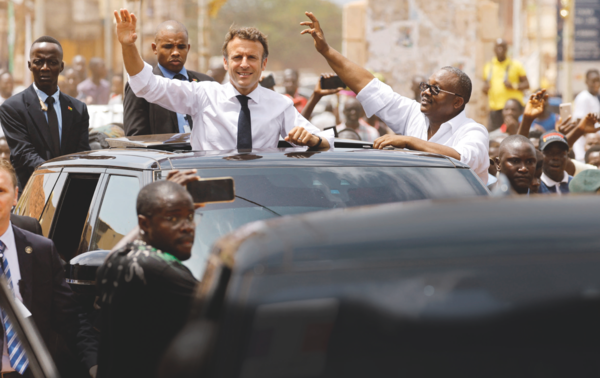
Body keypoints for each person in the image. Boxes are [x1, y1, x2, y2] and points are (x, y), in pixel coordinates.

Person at [299, 12, 488, 182]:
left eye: (436, 89)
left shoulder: (473, 132)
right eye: (426, 86)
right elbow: (370, 87)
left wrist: (409, 141)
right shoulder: (414, 115)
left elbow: (464, 160)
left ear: (457, 102)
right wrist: (326, 50)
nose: (426, 92)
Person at [116, 9, 332, 151]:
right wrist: (128, 46)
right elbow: (145, 84)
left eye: (252, 58)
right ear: (226, 63)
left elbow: (324, 142)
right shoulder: (203, 94)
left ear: (263, 64)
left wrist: (311, 139)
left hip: (261, 201)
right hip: (211, 202)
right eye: (237, 57)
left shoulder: (280, 104)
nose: (244, 64)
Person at [0, 159, 98, 377]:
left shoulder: (40, 250)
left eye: (0, 190)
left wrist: (94, 363)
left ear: (16, 196)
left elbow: (70, 316)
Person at [96, 180, 197, 378]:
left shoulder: (119, 260)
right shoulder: (161, 271)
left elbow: (111, 256)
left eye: (190, 216)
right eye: (173, 218)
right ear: (144, 223)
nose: (187, 227)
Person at [0, 36, 91, 190]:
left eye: (52, 62)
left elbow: (81, 154)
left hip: (69, 194)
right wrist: (57, 176)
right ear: (30, 65)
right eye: (38, 62)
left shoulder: (77, 109)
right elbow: (24, 154)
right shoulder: (12, 108)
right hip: (31, 195)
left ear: (61, 67)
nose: (45, 67)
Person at [123, 21, 215, 136]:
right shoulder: (140, 86)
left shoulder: (206, 83)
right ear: (154, 48)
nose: (176, 52)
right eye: (168, 46)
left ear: (188, 48)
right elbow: (135, 139)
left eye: (181, 47)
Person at [482, 39, 529, 131]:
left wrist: (513, 86)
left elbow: (527, 84)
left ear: (507, 49)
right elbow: (485, 88)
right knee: (493, 137)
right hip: (495, 109)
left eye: (503, 47)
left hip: (512, 110)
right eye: (498, 47)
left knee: (517, 133)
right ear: (494, 49)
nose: (500, 49)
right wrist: (485, 89)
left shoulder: (516, 65)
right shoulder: (488, 66)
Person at [572, 69, 600, 161]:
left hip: (593, 145)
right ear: (587, 82)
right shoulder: (583, 97)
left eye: (598, 80)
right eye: (593, 81)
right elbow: (579, 123)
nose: (596, 83)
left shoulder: (595, 97)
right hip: (584, 147)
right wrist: (591, 141)